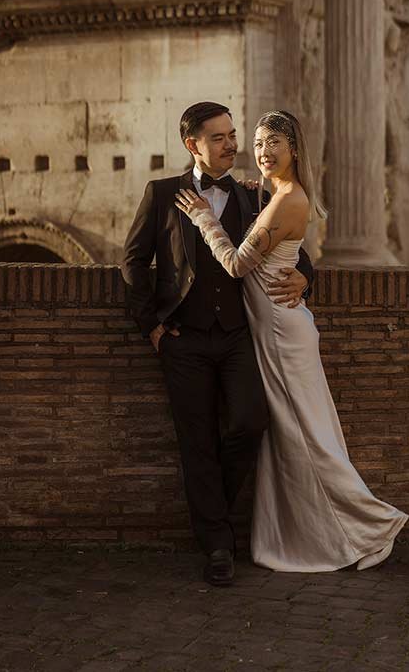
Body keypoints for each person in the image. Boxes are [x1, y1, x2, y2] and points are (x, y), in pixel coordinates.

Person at [174, 109, 408, 573]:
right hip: (270, 327)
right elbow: (289, 250)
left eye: (272, 143)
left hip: (282, 331)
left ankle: (369, 524)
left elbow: (239, 265)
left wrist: (204, 220)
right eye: (257, 143)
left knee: (307, 436)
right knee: (291, 437)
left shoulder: (287, 200)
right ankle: (310, 535)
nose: (261, 152)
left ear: (294, 149)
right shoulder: (269, 194)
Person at [122, 102, 314, 586]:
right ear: (193, 145)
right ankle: (217, 546)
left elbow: (297, 245)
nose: (233, 144)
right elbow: (132, 261)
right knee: (196, 442)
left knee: (251, 421)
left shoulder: (253, 196)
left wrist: (306, 279)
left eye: (234, 135)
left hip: (237, 338)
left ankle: (215, 518)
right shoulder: (163, 193)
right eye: (220, 137)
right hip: (182, 341)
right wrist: (153, 327)